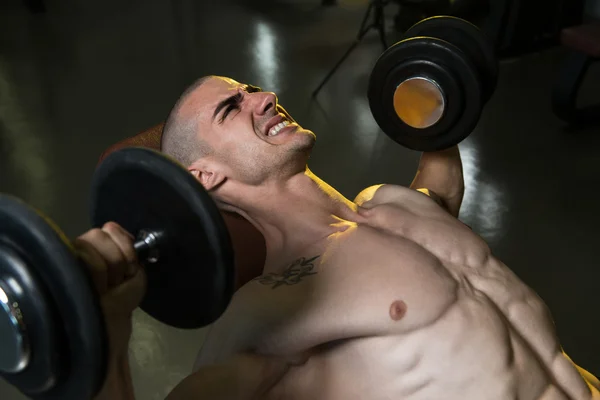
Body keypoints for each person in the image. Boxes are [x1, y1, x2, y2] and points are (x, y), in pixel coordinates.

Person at [82, 75, 600, 400]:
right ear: (205, 176)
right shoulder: (273, 308)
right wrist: (107, 339)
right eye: (230, 108)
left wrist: (438, 91)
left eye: (250, 89)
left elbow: (438, 195)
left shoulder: (392, 203)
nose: (264, 97)